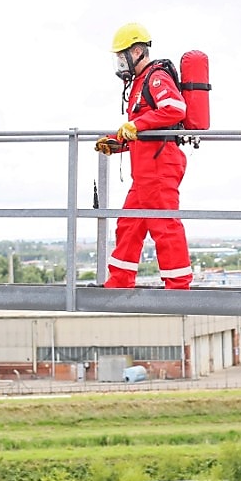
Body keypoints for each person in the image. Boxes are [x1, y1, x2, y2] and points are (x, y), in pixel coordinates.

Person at [95, 22, 193, 289]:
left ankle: (178, 286)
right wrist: (116, 142)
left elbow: (174, 109)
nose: (119, 62)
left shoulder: (156, 77)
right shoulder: (139, 82)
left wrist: (135, 127)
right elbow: (143, 129)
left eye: (121, 55)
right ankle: (119, 280)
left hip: (160, 166)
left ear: (137, 51)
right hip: (145, 169)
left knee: (164, 225)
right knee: (129, 224)